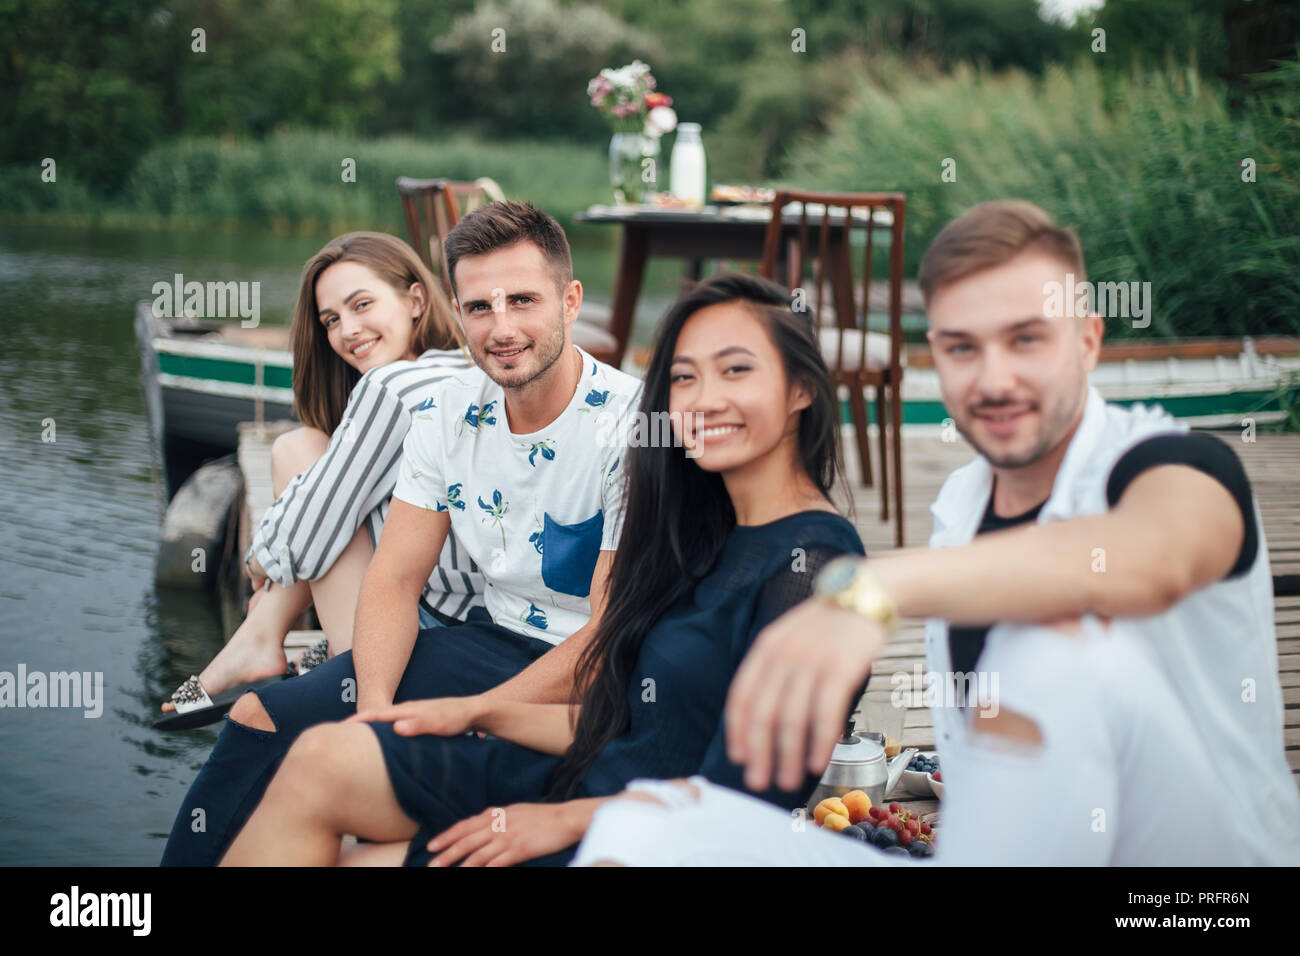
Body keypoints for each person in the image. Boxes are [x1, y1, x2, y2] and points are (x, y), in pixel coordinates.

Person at [570, 199, 1300, 866]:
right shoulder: (960, 503)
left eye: (1025, 340)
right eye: (960, 347)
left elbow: (1157, 559)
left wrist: (871, 586)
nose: (993, 379)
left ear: (1087, 341)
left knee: (1052, 652)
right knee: (639, 828)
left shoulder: (1178, 465)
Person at [219, 272, 866, 867]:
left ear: (802, 389)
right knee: (321, 756)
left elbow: (751, 805)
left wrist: (561, 823)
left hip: (646, 836)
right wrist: (476, 713)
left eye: (736, 370)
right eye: (686, 377)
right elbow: (638, 725)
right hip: (592, 777)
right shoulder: (699, 532)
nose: (704, 398)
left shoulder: (815, 567)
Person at [160, 200, 642, 865]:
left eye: (523, 301)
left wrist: (476, 713)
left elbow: (608, 631)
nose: (501, 329)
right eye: (479, 308)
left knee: (352, 773)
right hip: (487, 638)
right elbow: (393, 578)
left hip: (588, 676)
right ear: (456, 308)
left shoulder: (634, 426)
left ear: (570, 301)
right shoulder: (446, 411)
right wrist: (374, 710)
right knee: (256, 718)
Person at [159, 231, 483, 727]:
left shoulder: (393, 385)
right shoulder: (462, 366)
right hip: (476, 621)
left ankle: (270, 642)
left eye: (362, 305)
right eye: (332, 320)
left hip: (422, 642)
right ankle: (264, 639)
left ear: (416, 299)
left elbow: (304, 534)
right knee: (312, 455)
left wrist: (258, 563)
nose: (347, 330)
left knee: (297, 453)